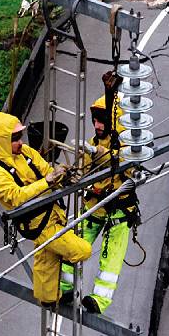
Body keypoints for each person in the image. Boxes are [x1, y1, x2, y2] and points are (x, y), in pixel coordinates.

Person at [0, 111, 92, 305]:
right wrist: (47, 182)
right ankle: (61, 258)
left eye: (20, 136)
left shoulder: (26, 152)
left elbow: (47, 172)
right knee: (82, 250)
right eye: (15, 137)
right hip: (37, 223)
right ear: (1, 140)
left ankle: (48, 298)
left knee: (45, 261)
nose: (20, 141)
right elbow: (16, 197)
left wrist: (62, 177)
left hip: (52, 213)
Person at [61, 94, 139, 314]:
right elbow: (84, 172)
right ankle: (65, 286)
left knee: (110, 258)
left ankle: (99, 299)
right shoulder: (94, 143)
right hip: (95, 205)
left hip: (119, 210)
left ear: (113, 119)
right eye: (95, 120)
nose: (97, 125)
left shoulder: (127, 143)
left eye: (101, 120)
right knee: (73, 245)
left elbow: (127, 165)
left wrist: (98, 154)